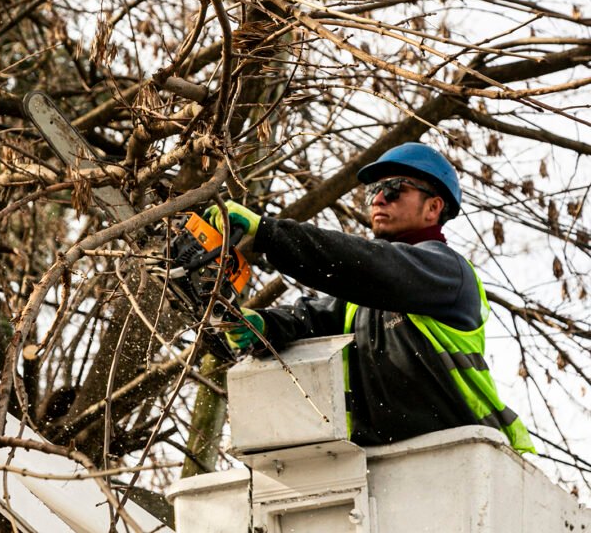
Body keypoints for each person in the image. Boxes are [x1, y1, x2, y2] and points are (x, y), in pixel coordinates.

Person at [205, 142, 535, 453]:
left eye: (393, 190)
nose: (378, 199)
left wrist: (268, 233)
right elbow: (313, 318)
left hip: (470, 456)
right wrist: (264, 325)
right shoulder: (363, 299)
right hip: (385, 465)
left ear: (433, 207)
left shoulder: (446, 272)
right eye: (373, 191)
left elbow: (371, 265)